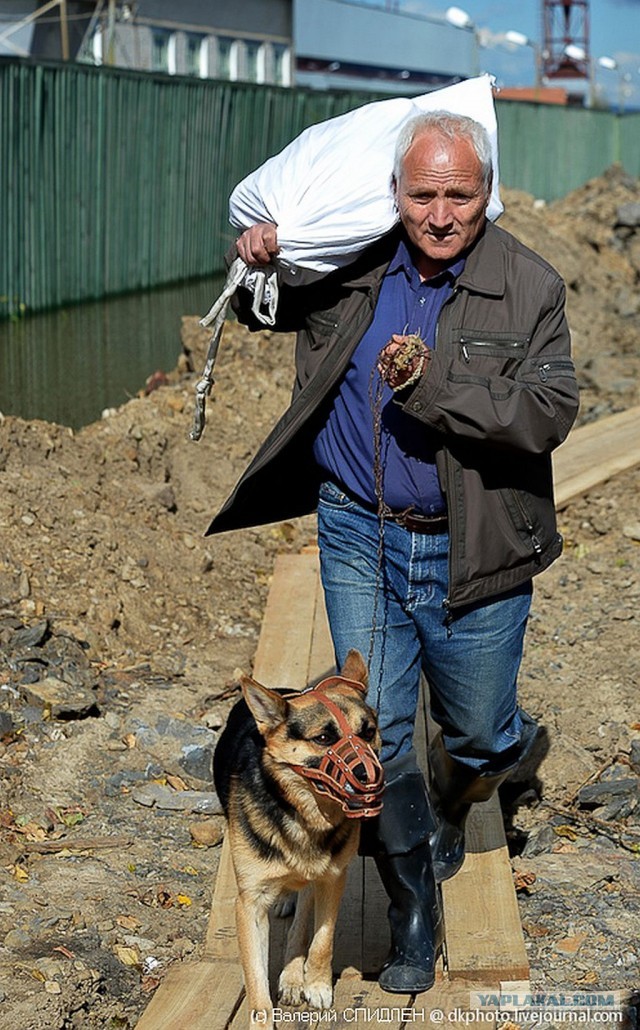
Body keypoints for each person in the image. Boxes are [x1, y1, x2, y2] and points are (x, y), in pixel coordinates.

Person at [206, 111, 579, 993]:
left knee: (482, 730)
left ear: (487, 190)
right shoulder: (354, 262)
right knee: (386, 736)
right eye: (423, 194)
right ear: (396, 193)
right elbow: (274, 306)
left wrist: (434, 385)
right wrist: (260, 250)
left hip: (477, 548)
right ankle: (412, 905)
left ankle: (467, 788)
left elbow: (548, 415)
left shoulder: (531, 286)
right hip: (358, 532)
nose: (442, 214)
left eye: (462, 194)